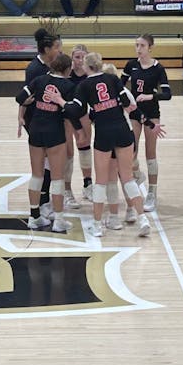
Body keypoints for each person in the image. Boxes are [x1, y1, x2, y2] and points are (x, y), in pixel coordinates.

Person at [62, 52, 157, 239]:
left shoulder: (84, 85)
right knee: (128, 178)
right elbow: (126, 102)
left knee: (101, 182)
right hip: (123, 130)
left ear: (87, 67)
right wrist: (147, 122)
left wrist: (60, 101)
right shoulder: (113, 79)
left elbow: (75, 109)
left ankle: (97, 226)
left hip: (104, 134)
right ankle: (143, 220)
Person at [15, 53, 76, 233]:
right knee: (57, 177)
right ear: (67, 69)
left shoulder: (39, 80)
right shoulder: (69, 86)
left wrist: (28, 102)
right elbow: (72, 112)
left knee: (36, 175)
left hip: (35, 129)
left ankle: (34, 217)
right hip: (54, 131)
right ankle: (59, 220)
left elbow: (19, 97)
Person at [121, 34, 171, 211]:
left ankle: (152, 192)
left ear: (150, 47)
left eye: (142, 45)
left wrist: (150, 96)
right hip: (135, 112)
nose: (138, 49)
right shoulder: (131, 65)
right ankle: (137, 174)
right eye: (137, 45)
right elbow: (119, 86)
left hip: (151, 113)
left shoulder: (158, 68)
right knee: (131, 151)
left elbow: (167, 94)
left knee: (150, 154)